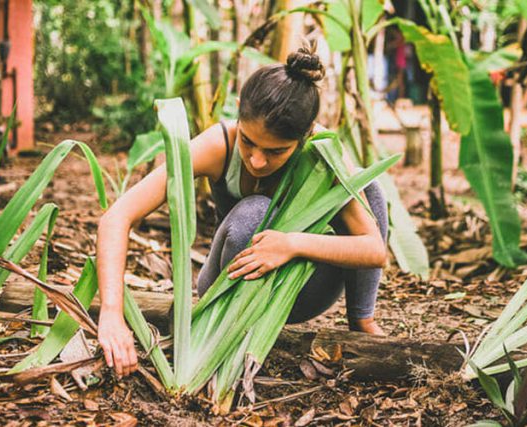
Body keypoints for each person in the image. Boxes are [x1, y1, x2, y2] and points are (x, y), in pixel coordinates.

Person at [95, 44, 389, 377]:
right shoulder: (219, 143)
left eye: (276, 152)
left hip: (298, 289)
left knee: (370, 190)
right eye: (249, 142)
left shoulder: (322, 152)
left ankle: (362, 320)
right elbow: (117, 217)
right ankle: (227, 337)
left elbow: (374, 250)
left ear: (306, 135)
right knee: (254, 212)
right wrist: (111, 313)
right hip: (228, 283)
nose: (257, 161)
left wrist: (291, 244)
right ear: (238, 113)